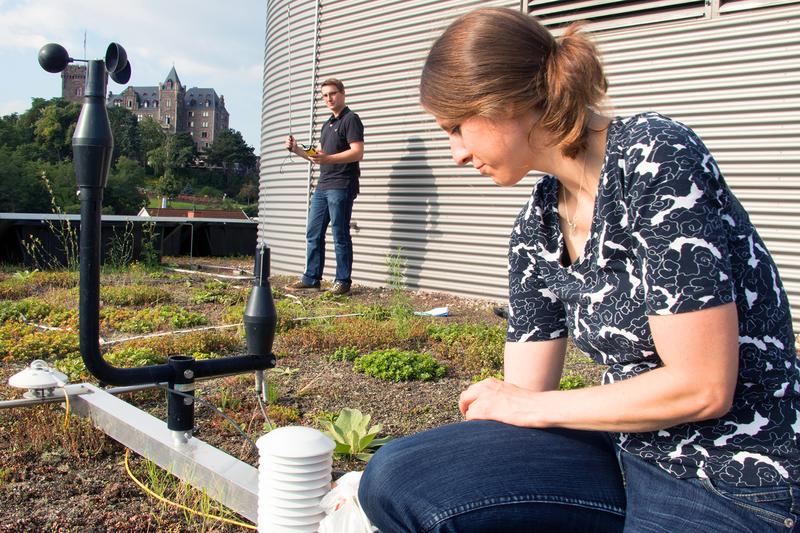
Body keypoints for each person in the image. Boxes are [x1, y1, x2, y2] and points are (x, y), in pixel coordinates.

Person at [358, 7, 800, 532]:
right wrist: (502, 423)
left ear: (508, 102)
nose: (456, 154)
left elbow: (702, 387)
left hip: (732, 474)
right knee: (397, 478)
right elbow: (522, 401)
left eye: (457, 127)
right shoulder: (535, 228)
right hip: (628, 453)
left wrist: (528, 408)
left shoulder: (655, 157)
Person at [285, 78, 364, 295]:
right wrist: (297, 150)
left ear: (343, 93)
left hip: (341, 185)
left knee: (340, 233)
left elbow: (357, 152)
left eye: (332, 94)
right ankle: (311, 278)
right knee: (313, 232)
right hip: (323, 186)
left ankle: (342, 281)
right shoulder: (326, 124)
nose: (329, 98)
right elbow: (317, 156)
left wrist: (328, 159)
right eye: (325, 95)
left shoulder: (351, 119)